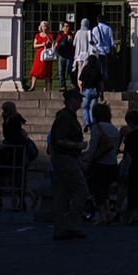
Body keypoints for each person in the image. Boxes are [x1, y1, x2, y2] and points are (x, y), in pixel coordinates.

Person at [48, 89, 88, 240]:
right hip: (65, 158)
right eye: (78, 99)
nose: (80, 101)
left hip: (66, 158)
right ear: (71, 100)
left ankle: (60, 229)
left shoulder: (67, 116)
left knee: (63, 194)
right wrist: (78, 145)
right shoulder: (65, 117)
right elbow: (59, 140)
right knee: (81, 190)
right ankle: (72, 224)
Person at [0, 102, 32, 211]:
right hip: (14, 152)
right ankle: (17, 202)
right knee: (14, 179)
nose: (4, 111)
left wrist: (4, 122)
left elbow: (9, 135)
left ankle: (0, 201)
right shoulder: (15, 119)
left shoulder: (13, 120)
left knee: (9, 178)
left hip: (13, 153)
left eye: (6, 109)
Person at [79, 53, 104, 126]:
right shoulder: (97, 70)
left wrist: (81, 90)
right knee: (93, 108)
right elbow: (101, 82)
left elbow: (81, 82)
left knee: (85, 107)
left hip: (87, 90)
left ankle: (87, 122)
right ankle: (93, 122)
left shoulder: (85, 69)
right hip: (95, 91)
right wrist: (102, 93)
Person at [28, 21, 53, 92]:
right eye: (43, 26)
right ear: (41, 27)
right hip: (40, 54)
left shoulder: (50, 34)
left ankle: (45, 87)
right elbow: (34, 45)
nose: (45, 27)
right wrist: (42, 44)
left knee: (46, 70)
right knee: (35, 69)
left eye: (46, 26)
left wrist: (47, 35)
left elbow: (51, 41)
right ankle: (33, 86)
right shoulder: (37, 35)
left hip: (47, 55)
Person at [55, 22, 77, 92]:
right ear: (63, 27)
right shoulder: (60, 35)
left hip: (70, 55)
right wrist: (55, 52)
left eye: (68, 26)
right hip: (62, 56)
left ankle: (73, 84)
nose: (67, 28)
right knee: (61, 71)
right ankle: (63, 86)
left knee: (70, 70)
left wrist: (71, 41)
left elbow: (75, 45)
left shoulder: (73, 35)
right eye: (65, 26)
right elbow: (56, 44)